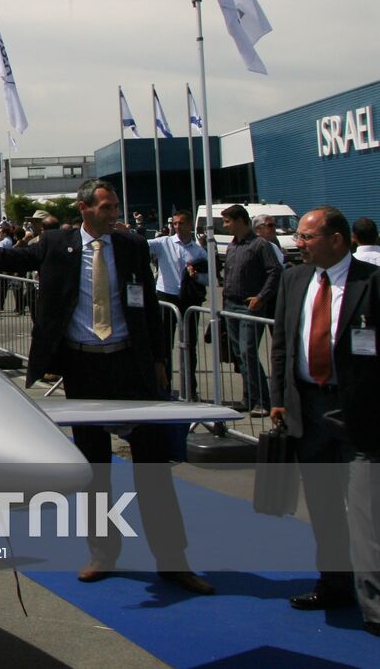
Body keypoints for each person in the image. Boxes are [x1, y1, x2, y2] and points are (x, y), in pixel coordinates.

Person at [0, 179, 213, 595]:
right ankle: (102, 553)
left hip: (130, 366)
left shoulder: (130, 246)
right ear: (85, 208)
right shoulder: (57, 243)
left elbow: (148, 307)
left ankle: (172, 560)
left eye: (115, 207)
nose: (114, 213)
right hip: (82, 367)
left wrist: (161, 362)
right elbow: (15, 261)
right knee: (94, 468)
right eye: (107, 207)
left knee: (153, 468)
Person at [268, 206, 380, 636]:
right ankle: (333, 585)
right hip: (307, 410)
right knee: (323, 506)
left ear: (338, 240)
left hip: (359, 413)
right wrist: (278, 398)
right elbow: (280, 343)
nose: (300, 243)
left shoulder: (370, 283)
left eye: (308, 236)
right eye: (298, 236)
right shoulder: (294, 280)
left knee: (367, 515)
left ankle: (374, 604)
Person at [221, 204, 283, 416]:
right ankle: (249, 397)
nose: (225, 226)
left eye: (228, 221)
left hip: (250, 306)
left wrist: (261, 297)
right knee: (239, 353)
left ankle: (263, 401)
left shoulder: (260, 245)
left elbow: (275, 272)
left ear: (240, 221)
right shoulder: (233, 246)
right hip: (231, 305)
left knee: (248, 352)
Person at [148, 211, 208, 401]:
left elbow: (208, 278)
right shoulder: (164, 243)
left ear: (190, 225)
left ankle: (190, 389)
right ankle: (163, 385)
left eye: (181, 223)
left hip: (188, 300)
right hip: (166, 297)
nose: (177, 226)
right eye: (174, 223)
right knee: (163, 344)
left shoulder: (198, 251)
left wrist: (196, 275)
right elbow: (141, 245)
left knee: (189, 345)